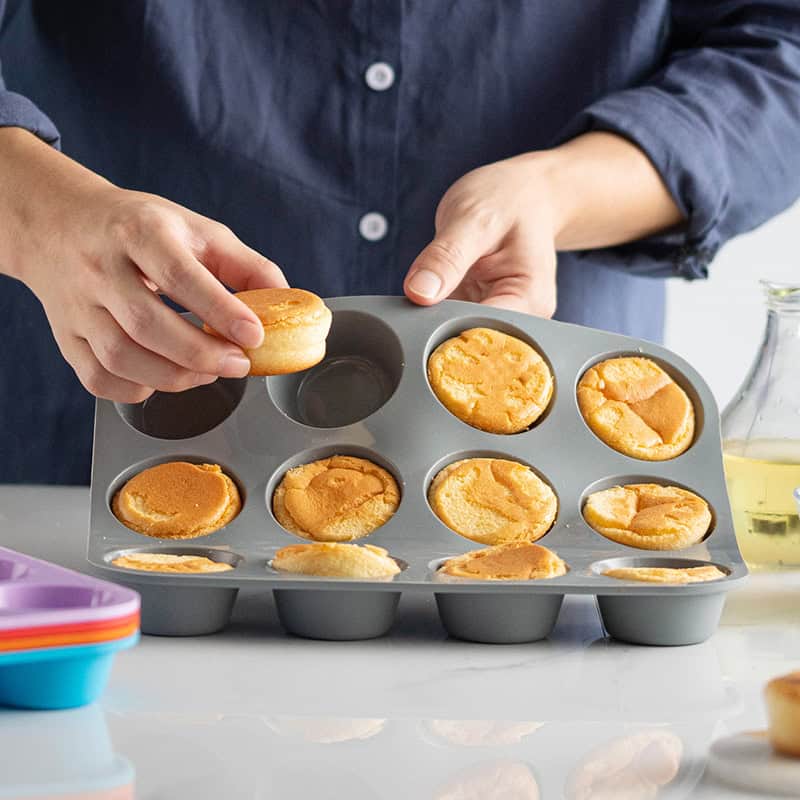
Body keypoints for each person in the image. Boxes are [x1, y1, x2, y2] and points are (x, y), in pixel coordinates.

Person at [1, 1, 799, 484]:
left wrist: (563, 190)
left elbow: (781, 47)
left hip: (554, 481)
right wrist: (42, 212)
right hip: (83, 459)